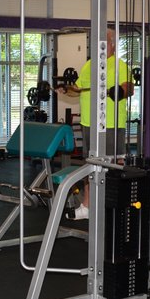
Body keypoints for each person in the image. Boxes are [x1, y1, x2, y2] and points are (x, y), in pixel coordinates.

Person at [59, 28, 134, 220]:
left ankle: (114, 207)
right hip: (89, 123)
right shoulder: (89, 65)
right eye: (97, 42)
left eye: (104, 42)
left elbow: (129, 87)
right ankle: (87, 206)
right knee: (90, 164)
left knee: (113, 165)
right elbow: (78, 89)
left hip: (110, 124)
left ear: (112, 45)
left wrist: (121, 91)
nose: (99, 46)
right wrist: (67, 89)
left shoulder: (119, 65)